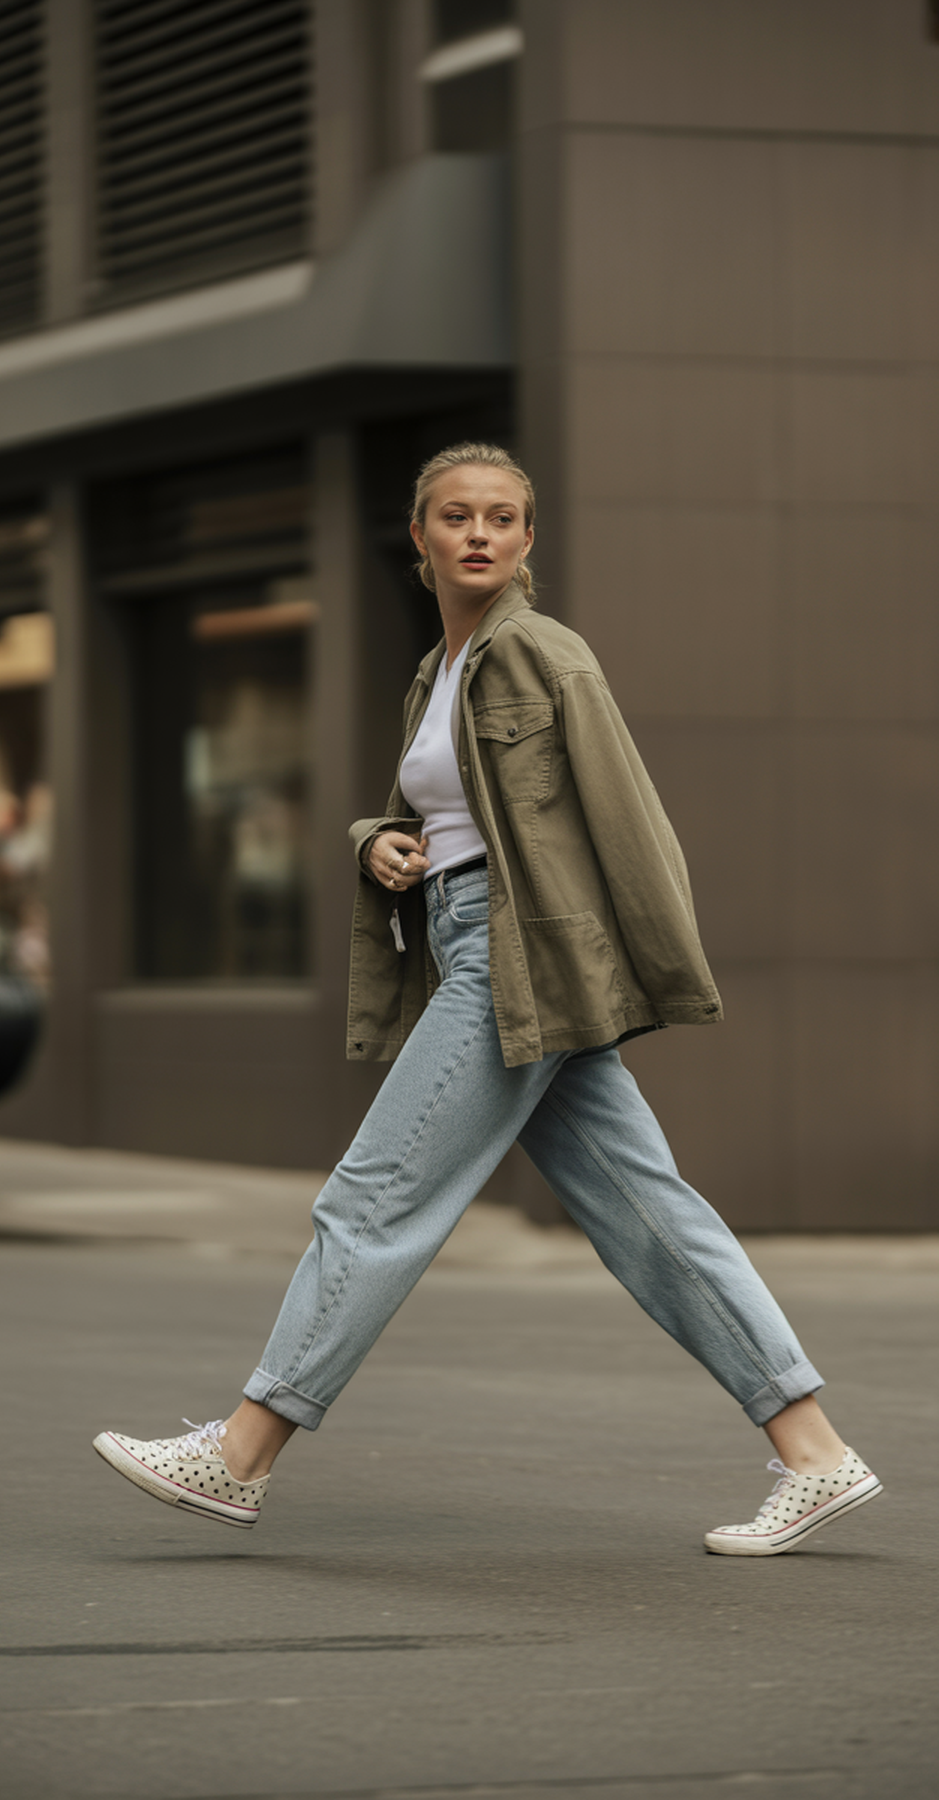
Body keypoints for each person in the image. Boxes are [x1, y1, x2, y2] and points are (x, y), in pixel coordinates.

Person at [95, 442, 882, 1557]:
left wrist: (649, 973)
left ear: (526, 541)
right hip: (474, 936)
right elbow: (436, 819)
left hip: (519, 956)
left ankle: (239, 1455)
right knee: (650, 1215)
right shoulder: (440, 672)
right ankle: (818, 1454)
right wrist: (379, 844)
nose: (478, 533)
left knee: (371, 1200)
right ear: (419, 538)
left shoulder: (542, 655)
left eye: (501, 518)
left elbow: (630, 825)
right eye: (455, 516)